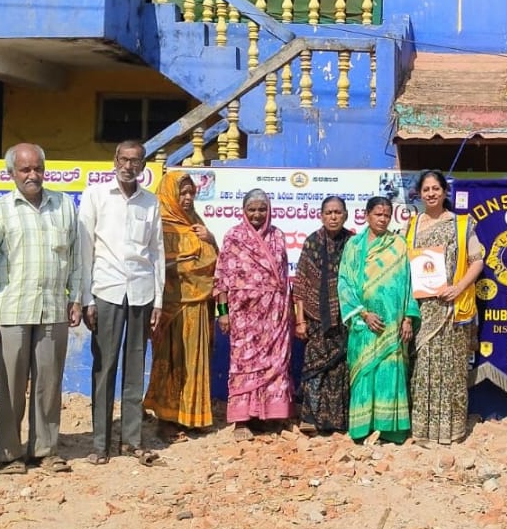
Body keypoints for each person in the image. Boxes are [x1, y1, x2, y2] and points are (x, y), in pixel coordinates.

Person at [0, 143, 83, 476]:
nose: (33, 175)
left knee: (49, 384)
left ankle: (45, 451)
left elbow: (76, 258)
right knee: (10, 386)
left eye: (38, 168)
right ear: (12, 173)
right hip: (11, 311)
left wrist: (76, 297)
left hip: (52, 309)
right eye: (25, 169)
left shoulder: (64, 206)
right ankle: (8, 455)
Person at [77, 140, 165, 466]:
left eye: (135, 161)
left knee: (135, 367)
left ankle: (131, 441)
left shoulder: (150, 202)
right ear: (115, 161)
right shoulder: (96, 196)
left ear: (143, 165)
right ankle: (100, 444)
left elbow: (156, 253)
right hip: (106, 291)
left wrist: (158, 300)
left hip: (141, 292)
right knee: (105, 367)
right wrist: (86, 298)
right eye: (124, 160)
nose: (129, 166)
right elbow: (85, 250)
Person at [403, 170, 484, 445]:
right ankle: (423, 430)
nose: (431, 194)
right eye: (426, 189)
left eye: (436, 188)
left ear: (445, 192)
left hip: (452, 307)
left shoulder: (461, 224)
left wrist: (458, 287)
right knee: (423, 367)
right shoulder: (412, 225)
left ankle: (451, 430)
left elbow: (477, 261)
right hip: (421, 308)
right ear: (419, 194)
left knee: (451, 369)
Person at [338, 197, 420, 442]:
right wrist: (363, 313)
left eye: (386, 215)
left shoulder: (399, 245)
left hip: (392, 326)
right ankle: (363, 429)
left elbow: (409, 283)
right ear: (366, 215)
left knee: (389, 371)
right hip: (363, 324)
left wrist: (408, 318)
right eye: (378, 214)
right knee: (364, 372)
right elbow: (344, 282)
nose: (382, 219)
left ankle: (389, 430)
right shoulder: (354, 245)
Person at [215, 189, 294, 438]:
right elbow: (222, 280)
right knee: (243, 365)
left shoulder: (277, 236)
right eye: (252, 209)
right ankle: (242, 420)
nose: (257, 214)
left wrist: (287, 311)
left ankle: (269, 415)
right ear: (244, 211)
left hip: (274, 315)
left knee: (276, 364)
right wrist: (223, 313)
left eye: (262, 209)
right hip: (244, 317)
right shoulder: (234, 237)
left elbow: (283, 278)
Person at [144, 172, 217, 437]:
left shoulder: (196, 223)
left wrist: (211, 239)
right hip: (169, 308)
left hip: (198, 307)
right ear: (169, 195)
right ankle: (166, 418)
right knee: (171, 360)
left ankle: (191, 417)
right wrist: (188, 265)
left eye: (190, 193)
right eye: (181, 193)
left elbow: (215, 262)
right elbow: (158, 264)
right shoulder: (160, 226)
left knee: (194, 361)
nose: (187, 198)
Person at [292, 196, 354, 434]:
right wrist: (300, 320)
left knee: (340, 371)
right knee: (314, 368)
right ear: (321, 216)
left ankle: (337, 422)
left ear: (345, 215)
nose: (333, 217)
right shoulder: (312, 242)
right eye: (329, 213)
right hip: (315, 319)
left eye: (337, 212)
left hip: (345, 318)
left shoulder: (353, 243)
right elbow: (300, 284)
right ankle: (310, 418)